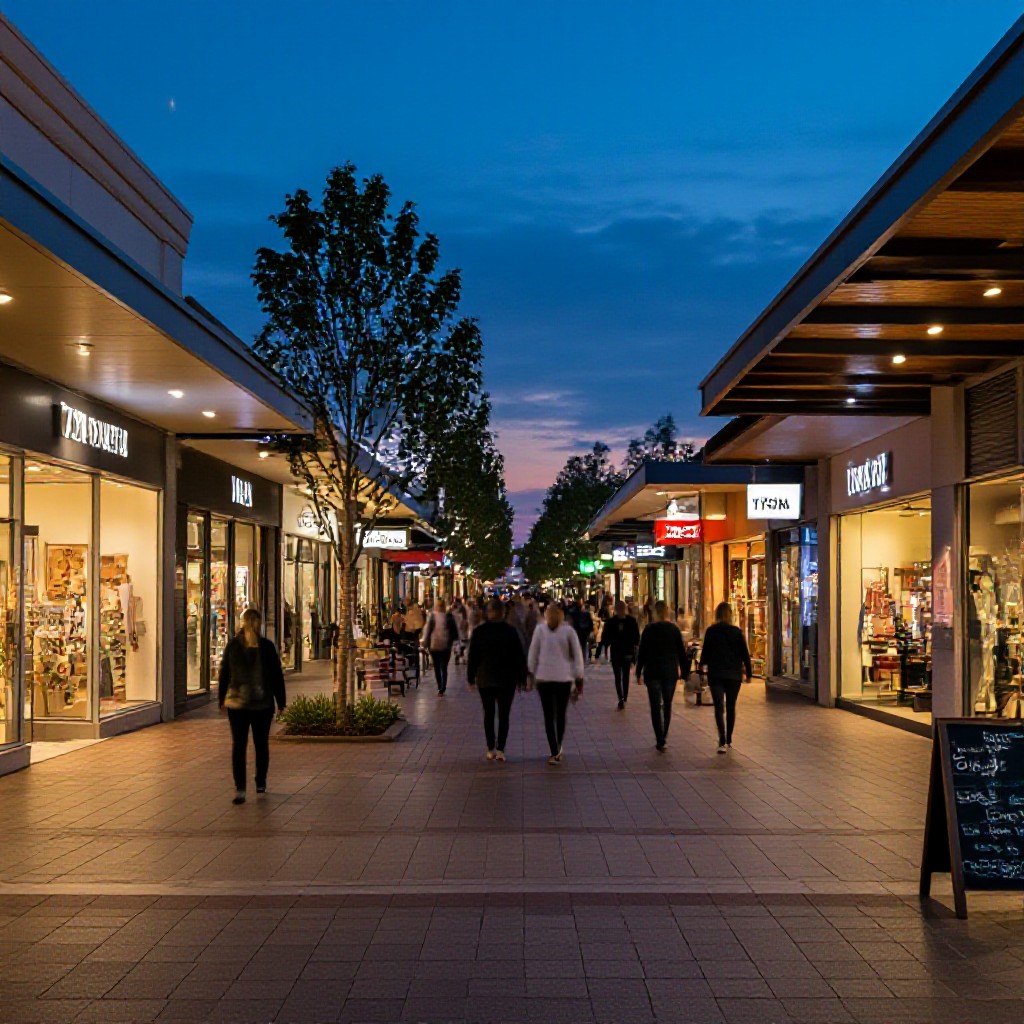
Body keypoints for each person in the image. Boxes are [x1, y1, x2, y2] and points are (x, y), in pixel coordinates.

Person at [218, 608, 286, 805]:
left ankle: (240, 789)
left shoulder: (233, 646)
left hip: (237, 704)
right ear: (259, 624)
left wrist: (222, 698)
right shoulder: (266, 646)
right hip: (262, 704)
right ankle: (260, 783)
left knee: (239, 746)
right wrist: (281, 701)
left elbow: (224, 673)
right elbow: (276, 676)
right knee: (261, 744)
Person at [467, 598, 528, 761]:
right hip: (506, 679)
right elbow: (519, 656)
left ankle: (490, 748)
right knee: (504, 715)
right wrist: (522, 677)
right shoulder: (510, 631)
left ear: (489, 612)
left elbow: (472, 656)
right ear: (503, 613)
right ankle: (501, 748)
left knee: (488, 714)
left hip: (485, 678)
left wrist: (470, 678)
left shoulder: (479, 632)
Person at [527, 603, 585, 765]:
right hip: (563, 678)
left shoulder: (540, 630)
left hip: (544, 678)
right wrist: (579, 675)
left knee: (548, 714)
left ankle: (554, 749)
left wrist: (531, 672)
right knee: (560, 713)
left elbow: (533, 652)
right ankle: (559, 745)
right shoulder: (568, 631)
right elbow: (577, 655)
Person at [635, 600, 691, 753]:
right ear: (666, 612)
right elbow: (681, 652)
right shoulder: (674, 630)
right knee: (667, 704)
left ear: (654, 612)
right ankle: (664, 735)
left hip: (652, 671)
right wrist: (685, 672)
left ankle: (659, 737)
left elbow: (642, 652)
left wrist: (638, 671)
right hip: (669, 672)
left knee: (655, 706)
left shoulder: (648, 629)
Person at [699, 602, 753, 754]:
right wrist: (748, 673)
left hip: (716, 673)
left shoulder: (711, 631)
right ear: (730, 614)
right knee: (730, 706)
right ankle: (729, 738)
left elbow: (706, 652)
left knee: (719, 707)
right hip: (733, 674)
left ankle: (721, 738)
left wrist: (701, 669)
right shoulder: (736, 632)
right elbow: (744, 654)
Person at [602, 601, 641, 709]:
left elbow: (606, 638)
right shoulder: (630, 621)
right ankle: (622, 697)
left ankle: (622, 697)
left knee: (620, 676)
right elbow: (636, 638)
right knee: (622, 676)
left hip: (621, 653)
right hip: (622, 653)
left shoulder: (612, 622)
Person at [423, 598, 459, 695]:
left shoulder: (435, 617)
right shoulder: (447, 617)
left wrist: (426, 641)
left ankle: (441, 686)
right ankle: (441, 686)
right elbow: (455, 632)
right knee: (441, 667)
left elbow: (428, 631)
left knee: (439, 667)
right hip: (442, 646)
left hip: (436, 645)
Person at [566, 598, 594, 663]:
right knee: (583, 645)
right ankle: (582, 659)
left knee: (577, 645)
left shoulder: (571, 613)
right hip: (583, 631)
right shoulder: (586, 613)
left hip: (576, 630)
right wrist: (590, 630)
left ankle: (578, 658)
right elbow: (590, 623)